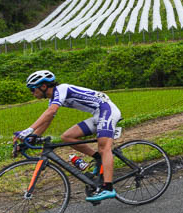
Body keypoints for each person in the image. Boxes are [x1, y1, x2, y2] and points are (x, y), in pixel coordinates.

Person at [15, 70, 121, 202]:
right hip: (98, 115)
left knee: (104, 147)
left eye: (32, 89)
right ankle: (99, 158)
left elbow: (51, 111)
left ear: (43, 86)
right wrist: (29, 139)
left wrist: (28, 130)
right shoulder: (53, 98)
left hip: (107, 110)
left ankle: (109, 187)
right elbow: (47, 120)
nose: (32, 93)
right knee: (67, 137)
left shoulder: (61, 89)